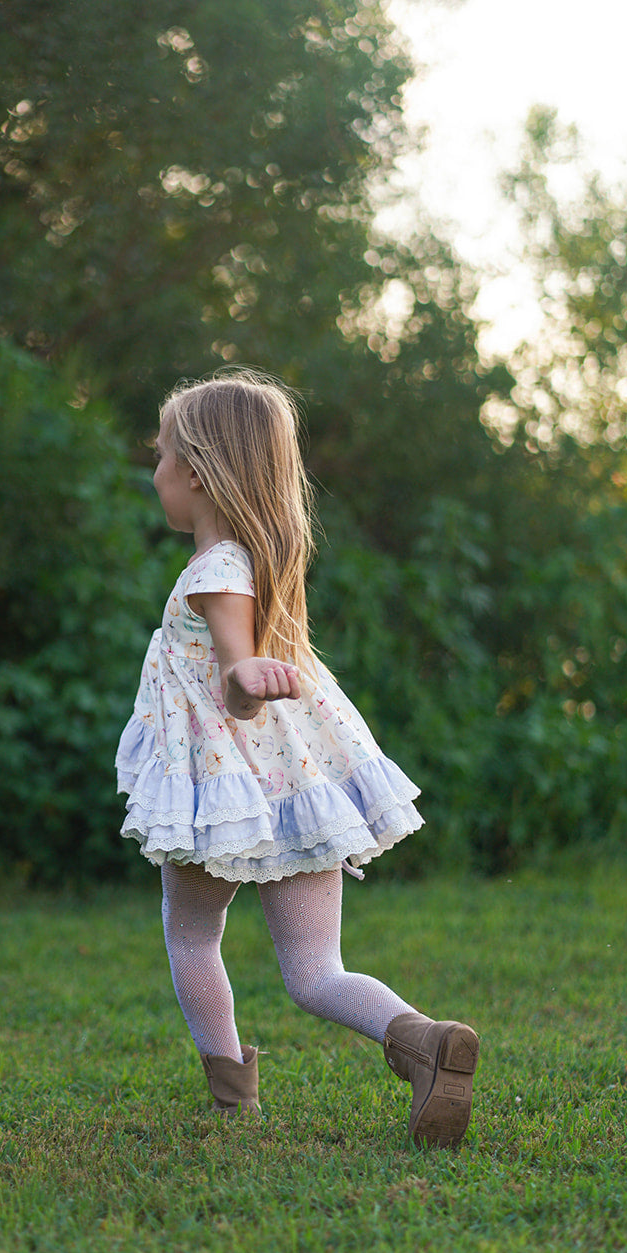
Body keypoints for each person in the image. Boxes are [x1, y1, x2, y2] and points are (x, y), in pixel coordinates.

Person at [116, 372, 479, 1148]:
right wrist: (245, 676)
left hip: (221, 791)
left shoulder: (214, 569)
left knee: (190, 937)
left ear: (196, 473)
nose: (154, 473)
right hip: (296, 790)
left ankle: (231, 1102)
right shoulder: (262, 561)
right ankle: (419, 1039)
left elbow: (235, 673)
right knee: (315, 971)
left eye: (161, 454)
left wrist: (242, 683)